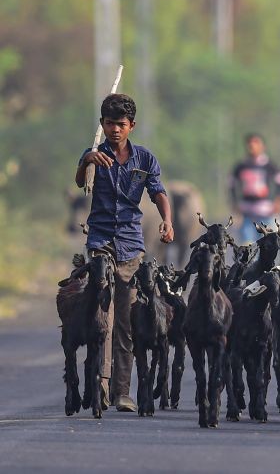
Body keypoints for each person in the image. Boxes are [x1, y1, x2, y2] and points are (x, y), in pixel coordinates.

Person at [75, 93, 174, 412]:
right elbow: (80, 183)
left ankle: (121, 392)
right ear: (101, 125)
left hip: (131, 245)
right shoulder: (93, 155)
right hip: (100, 242)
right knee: (103, 318)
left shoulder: (144, 159)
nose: (114, 129)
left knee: (127, 321)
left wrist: (167, 221)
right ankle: (100, 385)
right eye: (108, 123)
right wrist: (86, 161)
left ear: (131, 125)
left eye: (120, 124)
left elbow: (158, 192)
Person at [230, 134, 280, 243]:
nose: (252, 146)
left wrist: (278, 200)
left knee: (272, 244)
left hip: (266, 212)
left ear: (262, 147)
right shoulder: (242, 166)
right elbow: (232, 184)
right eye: (250, 144)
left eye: (256, 143)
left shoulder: (268, 165)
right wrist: (235, 203)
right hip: (247, 214)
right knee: (247, 246)